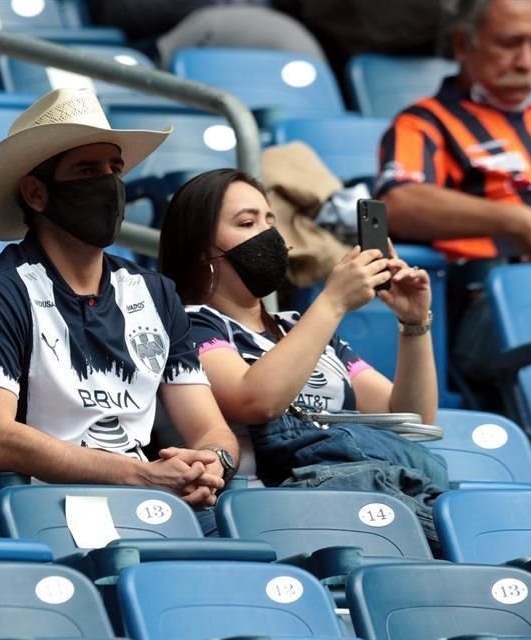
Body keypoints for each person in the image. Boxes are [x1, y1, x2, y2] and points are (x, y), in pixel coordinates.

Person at [0, 88, 239, 510]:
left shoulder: (156, 292)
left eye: (115, 169)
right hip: (36, 507)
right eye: (87, 171)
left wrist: (212, 464)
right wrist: (140, 474)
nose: (108, 185)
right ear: (36, 193)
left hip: (146, 506)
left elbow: (211, 428)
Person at [158, 168, 446, 541]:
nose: (267, 234)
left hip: (347, 497)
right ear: (200, 249)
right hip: (258, 512)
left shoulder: (299, 327)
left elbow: (410, 417)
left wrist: (414, 325)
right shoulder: (189, 325)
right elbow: (255, 401)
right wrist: (333, 301)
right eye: (247, 223)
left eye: (270, 221)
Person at [377, 0, 531, 265]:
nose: (526, 62)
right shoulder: (426, 121)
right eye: (509, 44)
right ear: (463, 44)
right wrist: (516, 220)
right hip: (517, 292)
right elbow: (398, 203)